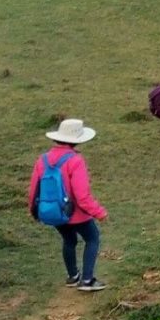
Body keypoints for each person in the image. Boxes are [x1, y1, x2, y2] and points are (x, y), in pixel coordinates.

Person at [29, 118, 108, 292]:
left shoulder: (42, 160)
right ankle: (87, 280)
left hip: (53, 212)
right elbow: (82, 196)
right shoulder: (75, 160)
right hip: (77, 213)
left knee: (69, 240)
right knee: (92, 238)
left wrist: (34, 210)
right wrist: (99, 212)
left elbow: (34, 188)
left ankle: (72, 276)